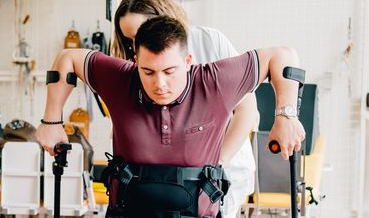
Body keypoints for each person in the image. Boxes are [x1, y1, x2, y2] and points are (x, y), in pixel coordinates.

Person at [36, 16, 305, 217]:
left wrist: (287, 115)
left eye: (169, 71)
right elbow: (69, 57)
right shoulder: (121, 78)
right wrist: (51, 120)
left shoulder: (213, 81)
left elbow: (283, 56)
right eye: (148, 72)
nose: (160, 84)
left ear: (188, 62)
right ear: (135, 63)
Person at [111, 0, 258, 218]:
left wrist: (217, 161)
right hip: (163, 183)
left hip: (219, 174)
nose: (140, 42)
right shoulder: (138, 64)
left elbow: (248, 109)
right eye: (130, 40)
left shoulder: (208, 41)